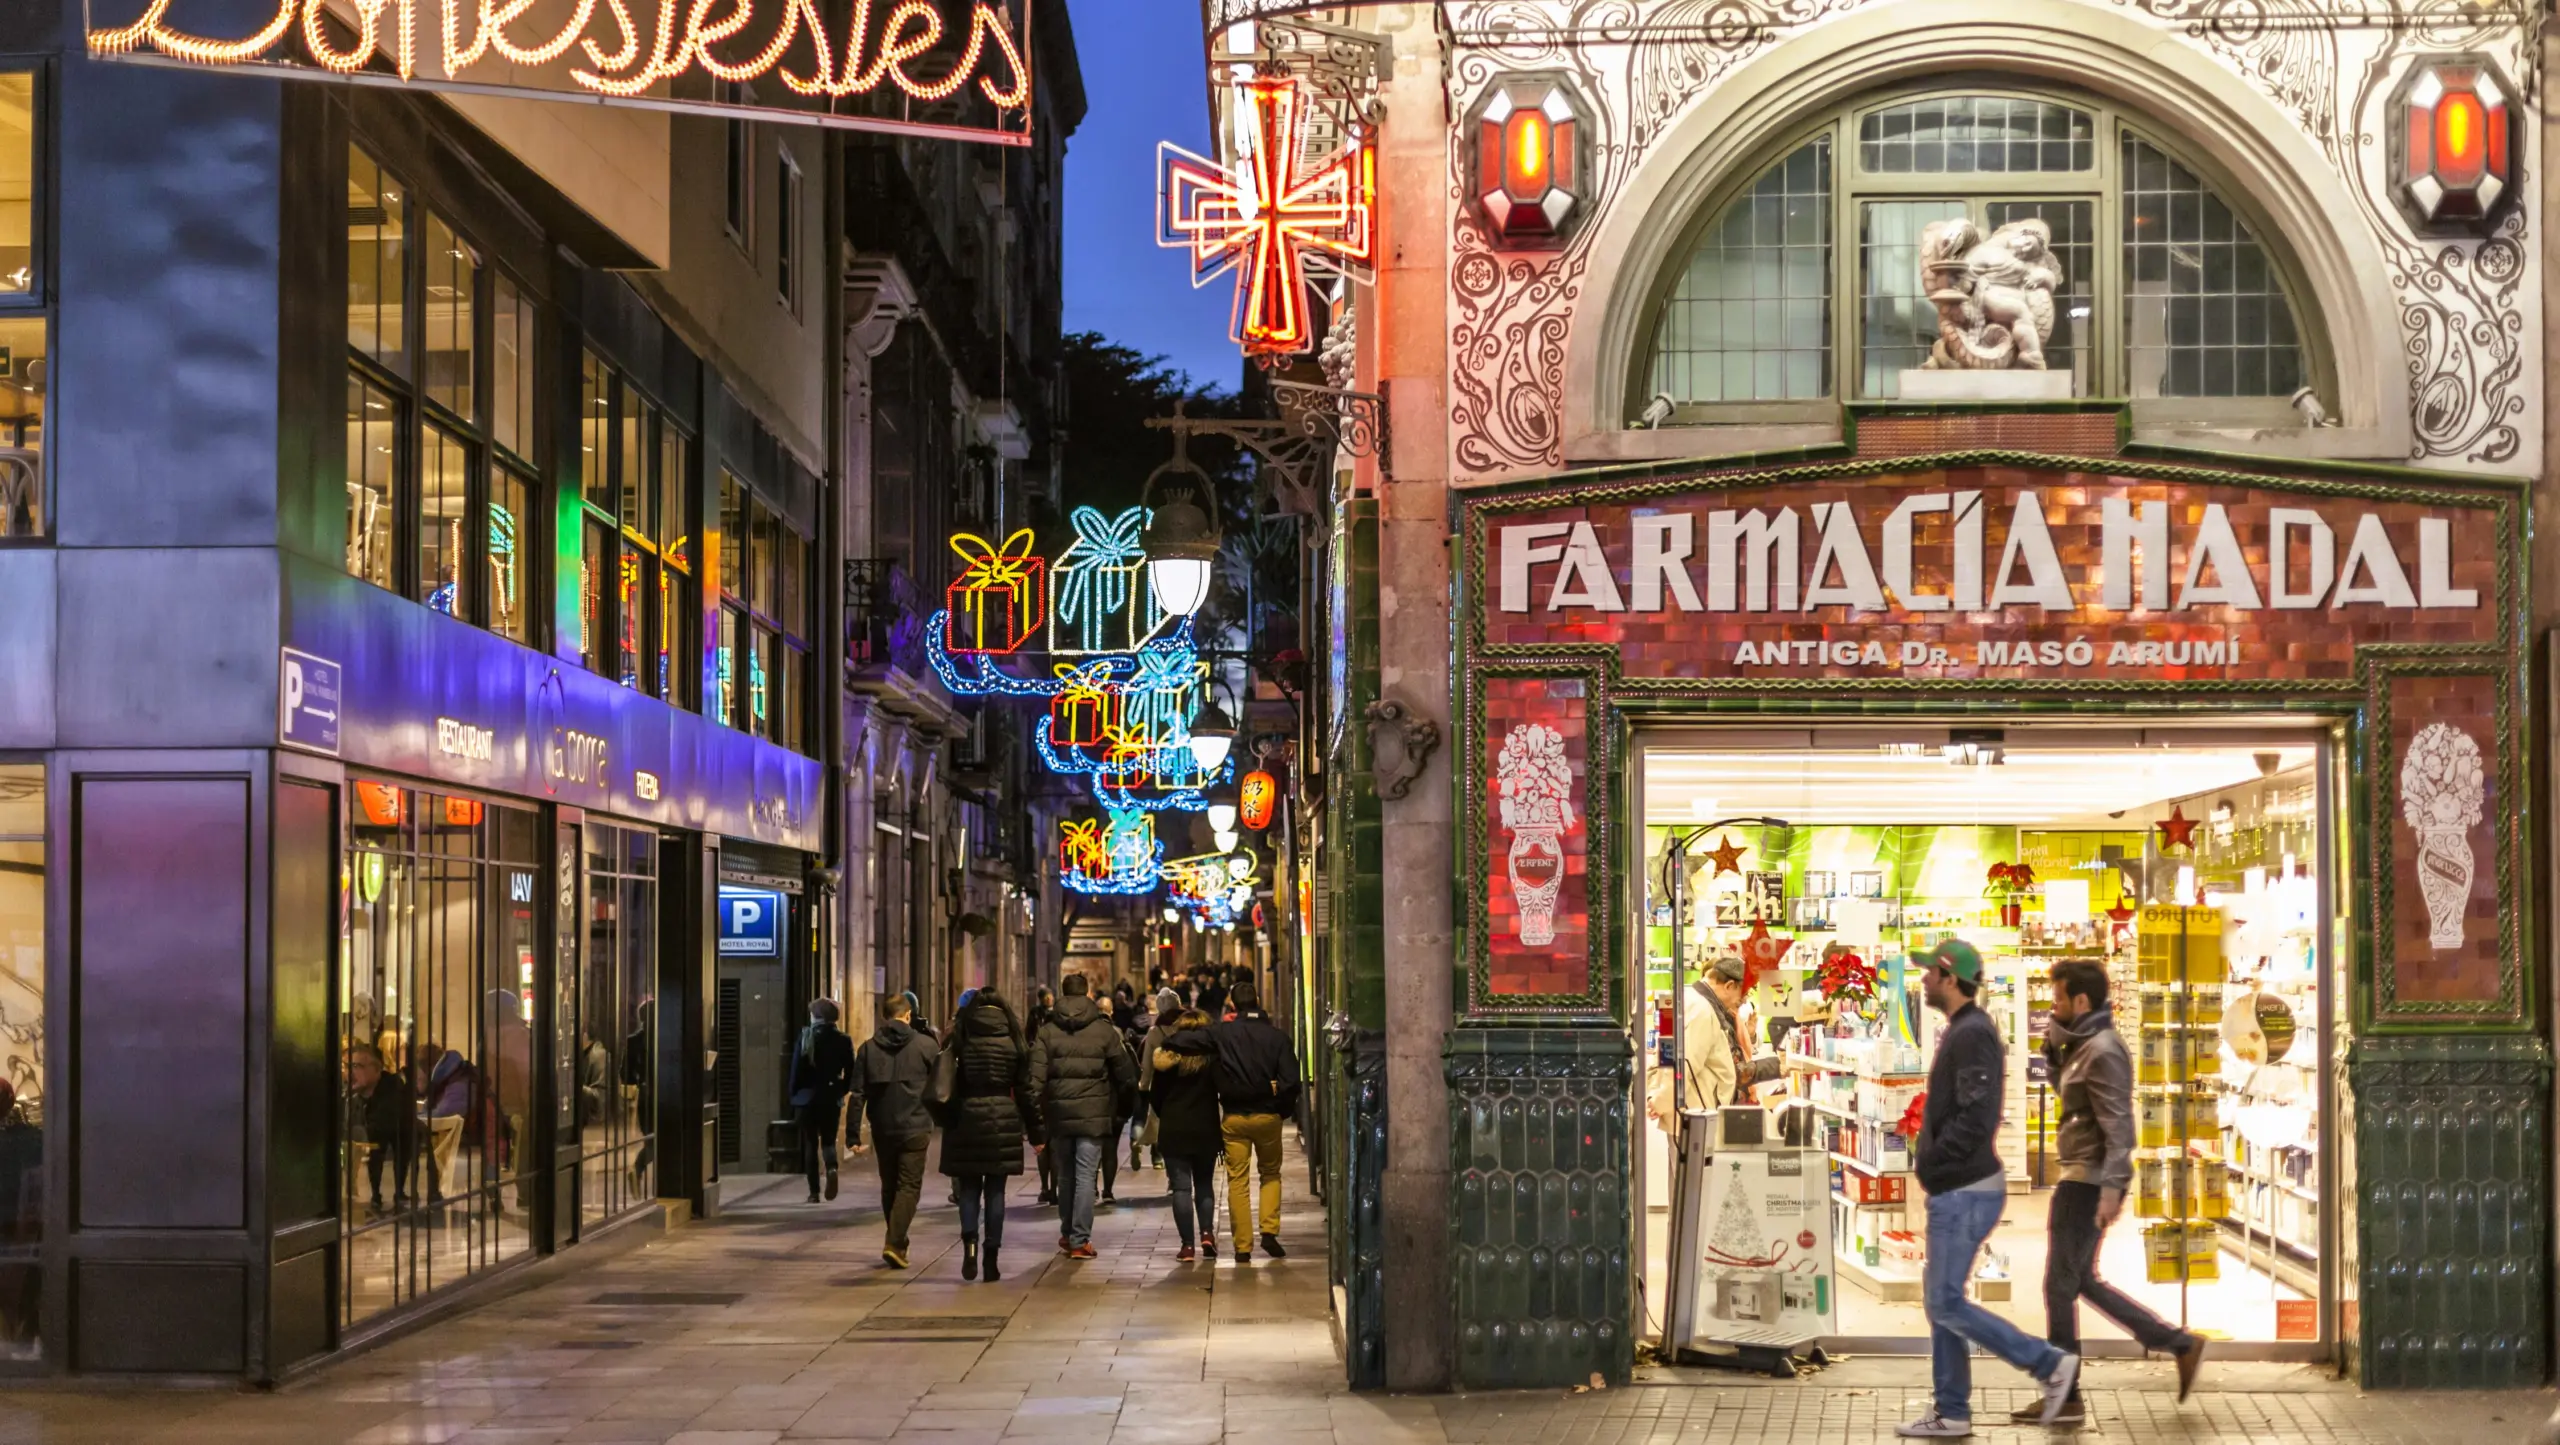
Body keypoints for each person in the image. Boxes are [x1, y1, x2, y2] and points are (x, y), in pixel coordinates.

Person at [2012, 960, 2205, 1425]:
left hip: (2087, 1182)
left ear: (2082, 1001)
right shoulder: (2083, 1046)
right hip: (2080, 1176)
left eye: (2058, 1000)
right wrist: (2056, 1043)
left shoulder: (2103, 1049)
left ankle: (2067, 1396)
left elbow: (2120, 1125)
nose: (2052, 1006)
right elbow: (2072, 1098)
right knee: (2081, 1282)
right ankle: (2177, 1343)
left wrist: (2113, 1187)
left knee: (2059, 1288)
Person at [1900, 939, 2077, 1438]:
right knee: (1944, 1301)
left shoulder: (1973, 1033)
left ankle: (2047, 1364)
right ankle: (1952, 1411)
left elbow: (1977, 1118)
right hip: (1958, 1186)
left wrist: (1934, 1160)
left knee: (1944, 1303)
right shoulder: (1963, 1029)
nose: (1923, 981)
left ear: (1950, 978)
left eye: (1930, 973)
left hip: (1965, 1187)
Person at [1028, 974, 1134, 1259]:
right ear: (1087, 994)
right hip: (1093, 1114)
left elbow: (1034, 1080)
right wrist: (1121, 1109)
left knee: (1065, 1175)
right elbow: (1125, 1074)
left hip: (1060, 1115)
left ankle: (1067, 1233)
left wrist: (1034, 1117)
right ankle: (1080, 1239)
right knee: (1086, 1176)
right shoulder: (1104, 1031)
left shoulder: (1047, 1031)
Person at [939, 989, 1032, 1283]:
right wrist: (1037, 1131)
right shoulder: (1014, 1041)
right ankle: (991, 1257)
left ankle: (969, 1247)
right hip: (1002, 1118)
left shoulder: (960, 1038)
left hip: (967, 1118)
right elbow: (1026, 1092)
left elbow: (946, 1082)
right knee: (995, 1192)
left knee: (968, 1190)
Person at [1205, 980, 1299, 1262]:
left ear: (1232, 1005)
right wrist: (1280, 1108)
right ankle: (1269, 1231)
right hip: (1268, 1117)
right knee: (1270, 1173)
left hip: (1235, 1118)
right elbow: (1291, 1081)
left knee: (1238, 1180)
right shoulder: (1278, 1037)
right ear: (1258, 1000)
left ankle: (1242, 1247)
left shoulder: (1223, 1034)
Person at [846, 993, 939, 1269]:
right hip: (917, 1126)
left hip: (883, 1128)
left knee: (890, 1186)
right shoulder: (926, 1045)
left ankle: (897, 1243)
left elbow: (857, 1094)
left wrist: (852, 1135)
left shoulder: (867, 1048)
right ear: (908, 1015)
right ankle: (895, 1241)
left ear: (885, 1017)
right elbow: (942, 1086)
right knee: (908, 1186)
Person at [1646, 955, 1782, 1126]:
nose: (1745, 1000)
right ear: (1729, 986)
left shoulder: (1687, 999)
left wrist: (1654, 1095)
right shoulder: (1702, 1011)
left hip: (1689, 1114)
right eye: (1745, 992)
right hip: (1695, 1118)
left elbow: (1663, 1051)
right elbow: (1683, 1065)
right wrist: (1659, 1102)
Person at [1149, 1008, 1223, 1261]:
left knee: (1181, 1189)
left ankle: (1187, 1246)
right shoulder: (1213, 1057)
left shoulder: (1167, 1057)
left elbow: (1155, 1096)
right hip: (1206, 1127)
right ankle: (1207, 1234)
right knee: (1204, 1185)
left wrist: (1167, 1115)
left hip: (1175, 1127)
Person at [787, 998, 856, 1204]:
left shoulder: (806, 1037)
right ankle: (832, 1167)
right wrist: (840, 1090)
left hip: (806, 1099)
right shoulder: (843, 1040)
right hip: (830, 1096)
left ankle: (813, 1192)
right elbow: (851, 1072)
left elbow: (795, 1070)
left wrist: (793, 1096)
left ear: (816, 1016)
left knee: (810, 1143)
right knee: (828, 1139)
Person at [347, 1044, 418, 1214]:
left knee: (386, 1152)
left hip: (399, 1134)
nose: (350, 1072)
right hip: (378, 1139)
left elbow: (376, 1131)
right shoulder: (353, 1094)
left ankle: (397, 1194)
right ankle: (376, 1196)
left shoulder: (393, 1090)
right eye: (348, 1066)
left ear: (377, 1069)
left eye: (357, 1066)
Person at [1027, 986, 1059, 1205]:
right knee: (1055, 1146)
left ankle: (1045, 1187)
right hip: (1057, 1097)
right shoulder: (1059, 1040)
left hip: (1041, 1098)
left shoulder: (1037, 1047)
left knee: (1042, 1145)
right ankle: (1054, 1190)